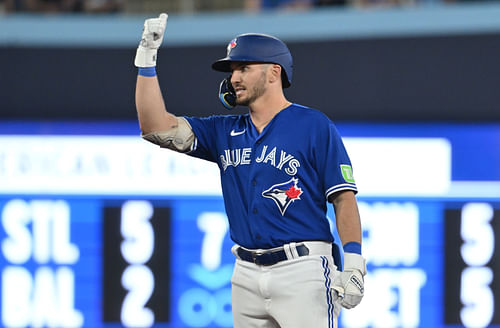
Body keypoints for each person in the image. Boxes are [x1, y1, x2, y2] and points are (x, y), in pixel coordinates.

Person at [134, 13, 366, 328]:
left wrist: (353, 264)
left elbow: (343, 197)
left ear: (274, 72)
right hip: (245, 272)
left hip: (302, 270)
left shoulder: (313, 125)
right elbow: (155, 127)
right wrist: (146, 61)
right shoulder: (223, 131)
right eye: (232, 70)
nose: (234, 78)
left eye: (244, 68)